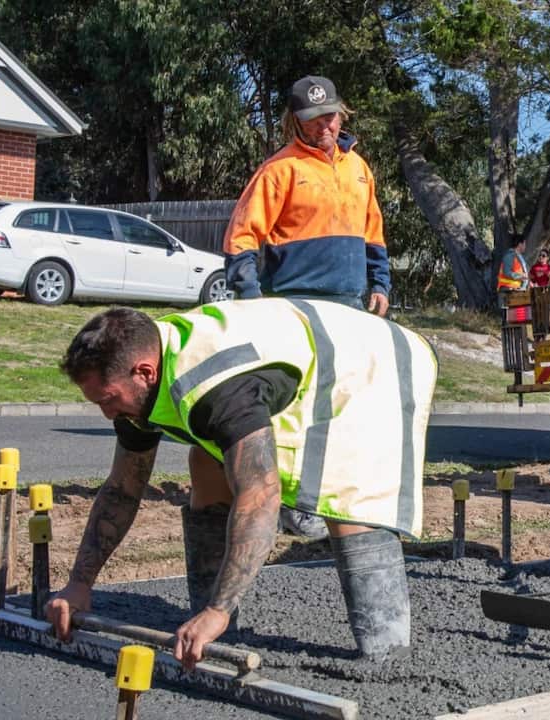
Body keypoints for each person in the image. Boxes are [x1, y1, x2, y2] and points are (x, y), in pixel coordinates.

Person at [45, 300, 437, 666]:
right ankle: (210, 632)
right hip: (301, 361)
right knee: (206, 461)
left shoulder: (216, 391)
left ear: (145, 372)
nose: (106, 413)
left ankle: (388, 654)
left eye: (108, 400)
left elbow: (260, 495)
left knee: (348, 496)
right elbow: (123, 487)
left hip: (368, 364)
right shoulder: (142, 368)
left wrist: (219, 609)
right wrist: (80, 584)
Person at [223, 75, 391, 539]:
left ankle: (336, 499)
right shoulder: (278, 170)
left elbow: (372, 232)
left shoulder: (359, 168)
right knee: (298, 409)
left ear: (343, 113)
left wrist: (380, 283)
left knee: (341, 406)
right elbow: (241, 236)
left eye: (331, 116)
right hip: (294, 305)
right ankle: (295, 504)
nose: (325, 125)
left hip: (351, 304)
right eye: (313, 119)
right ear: (295, 122)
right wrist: (250, 296)